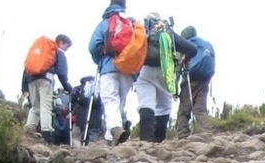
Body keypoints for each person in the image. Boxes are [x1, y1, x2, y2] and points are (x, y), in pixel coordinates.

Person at [134, 14, 197, 143]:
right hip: (165, 70)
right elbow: (192, 49)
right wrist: (185, 59)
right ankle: (159, 140)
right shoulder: (167, 32)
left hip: (144, 70)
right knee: (164, 106)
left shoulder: (140, 31)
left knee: (146, 104)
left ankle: (145, 141)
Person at [88, 1, 135, 146]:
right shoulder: (132, 23)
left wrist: (100, 59)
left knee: (110, 100)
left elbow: (93, 46)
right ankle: (112, 138)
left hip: (109, 66)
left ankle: (115, 129)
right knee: (120, 102)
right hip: (128, 68)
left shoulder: (105, 22)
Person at [21, 34, 73, 143]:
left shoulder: (41, 52)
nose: (66, 50)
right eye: (66, 47)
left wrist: (24, 87)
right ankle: (47, 133)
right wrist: (67, 86)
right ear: (61, 42)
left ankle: (28, 129)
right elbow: (61, 72)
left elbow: (26, 69)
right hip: (46, 79)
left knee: (35, 107)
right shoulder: (57, 52)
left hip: (31, 80)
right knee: (46, 106)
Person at [175, 26, 215, 139]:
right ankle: (207, 133)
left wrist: (174, 86)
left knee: (184, 110)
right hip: (204, 79)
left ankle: (183, 136)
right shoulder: (207, 44)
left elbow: (178, 65)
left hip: (190, 79)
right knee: (200, 108)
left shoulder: (186, 44)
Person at [71, 76, 105, 145]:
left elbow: (72, 101)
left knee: (77, 138)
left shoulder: (78, 89)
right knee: (92, 141)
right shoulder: (99, 88)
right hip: (96, 120)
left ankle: (77, 152)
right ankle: (91, 152)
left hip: (80, 119)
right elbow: (101, 104)